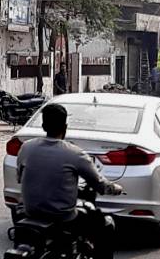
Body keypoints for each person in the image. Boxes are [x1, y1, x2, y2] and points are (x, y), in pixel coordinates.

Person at [16, 104, 122, 259]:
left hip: (29, 212)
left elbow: (20, 177)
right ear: (65, 127)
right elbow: (100, 184)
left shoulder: (26, 147)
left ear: (44, 125)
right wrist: (115, 188)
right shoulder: (74, 153)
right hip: (63, 217)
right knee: (106, 224)